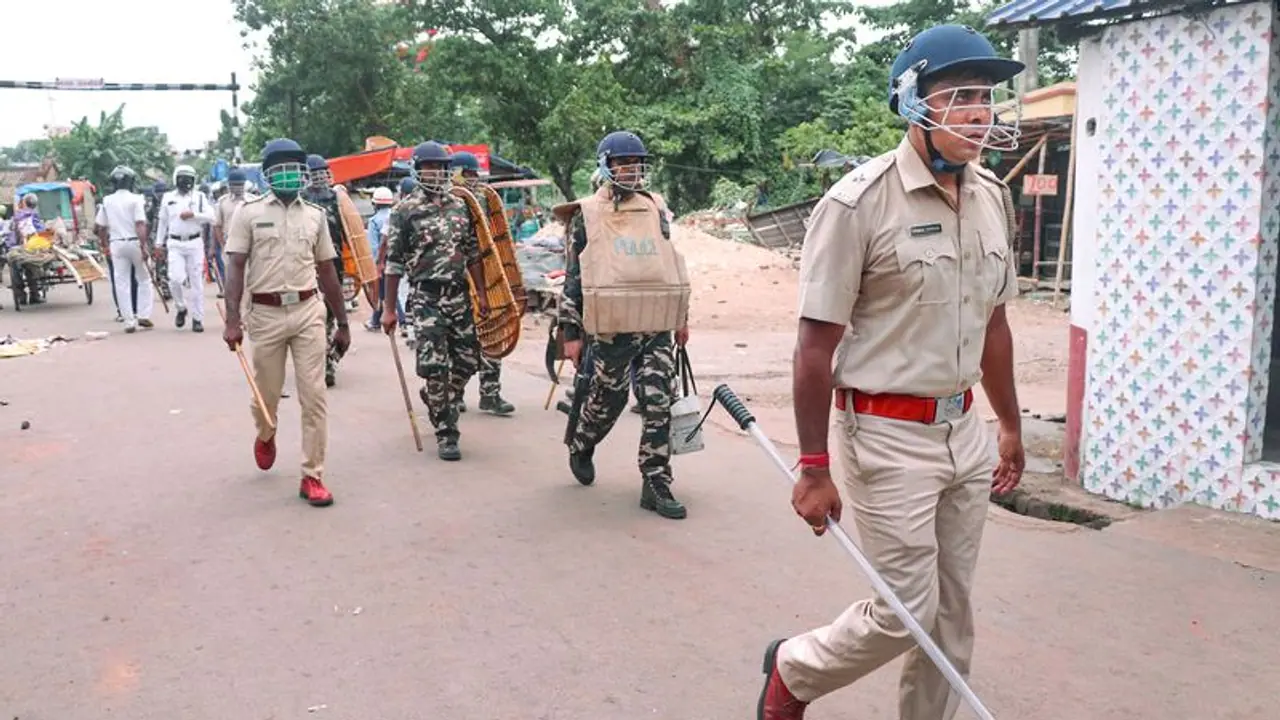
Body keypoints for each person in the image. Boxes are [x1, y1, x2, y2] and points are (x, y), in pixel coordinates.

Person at [755, 25, 1027, 720]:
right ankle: (794, 669)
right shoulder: (857, 203)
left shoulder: (992, 195)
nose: (978, 111)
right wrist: (813, 466)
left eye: (986, 96)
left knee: (951, 615)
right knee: (906, 608)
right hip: (885, 434)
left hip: (963, 429)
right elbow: (815, 346)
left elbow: (994, 324)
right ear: (911, 103)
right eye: (958, 95)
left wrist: (1009, 426)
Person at [555, 130, 692, 520]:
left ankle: (656, 481)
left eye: (638, 164)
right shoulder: (586, 214)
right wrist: (570, 333)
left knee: (658, 401)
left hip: (655, 324)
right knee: (607, 400)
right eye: (624, 164)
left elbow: (669, 264)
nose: (633, 171)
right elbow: (574, 277)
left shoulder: (656, 208)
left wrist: (681, 318)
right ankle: (582, 442)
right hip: (612, 326)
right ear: (606, 165)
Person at [222, 138, 351, 508]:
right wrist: (233, 319)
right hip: (264, 315)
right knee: (266, 395)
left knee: (315, 397)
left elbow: (327, 268)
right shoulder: (247, 213)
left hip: (309, 312)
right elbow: (235, 265)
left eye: (295, 166)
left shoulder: (315, 215)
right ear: (267, 173)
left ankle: (313, 476)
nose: (289, 173)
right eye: (280, 167)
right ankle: (266, 432)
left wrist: (342, 321)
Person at [381, 141, 489, 461]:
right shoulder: (404, 211)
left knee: (470, 360)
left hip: (459, 295)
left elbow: (472, 253)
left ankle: (437, 397)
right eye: (430, 167)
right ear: (417, 169)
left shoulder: (460, 205)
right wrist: (389, 309)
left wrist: (481, 293)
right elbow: (393, 263)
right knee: (435, 366)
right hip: (426, 297)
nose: (436, 173)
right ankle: (446, 432)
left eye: (441, 168)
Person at [451, 150, 515, 416]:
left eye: (476, 173)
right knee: (461, 342)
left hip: (486, 275)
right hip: (457, 280)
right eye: (469, 174)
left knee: (492, 333)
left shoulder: (485, 199)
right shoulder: (449, 201)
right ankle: (454, 394)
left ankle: (490, 393)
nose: (474, 178)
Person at [301, 154, 349, 388]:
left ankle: (327, 362)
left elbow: (351, 233)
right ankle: (316, 359)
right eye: (315, 172)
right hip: (307, 266)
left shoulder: (338, 200)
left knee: (329, 311)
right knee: (311, 312)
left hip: (333, 266)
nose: (320, 176)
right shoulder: (301, 201)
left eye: (323, 171)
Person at [94, 165, 155, 333]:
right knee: (144, 279)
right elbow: (140, 224)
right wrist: (143, 246)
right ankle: (143, 314)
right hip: (135, 241)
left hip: (117, 243)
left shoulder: (107, 200)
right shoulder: (137, 199)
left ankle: (129, 321)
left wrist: (105, 245)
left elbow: (101, 226)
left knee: (121, 282)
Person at [155, 165, 215, 332]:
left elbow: (212, 217)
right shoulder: (168, 197)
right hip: (174, 243)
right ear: (176, 179)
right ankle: (181, 307)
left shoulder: (200, 197)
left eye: (189, 179)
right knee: (174, 279)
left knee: (197, 282)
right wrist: (158, 244)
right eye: (182, 178)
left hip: (194, 243)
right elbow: (163, 222)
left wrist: (194, 215)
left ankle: (197, 318)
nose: (185, 182)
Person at [213, 168, 256, 290]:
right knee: (232, 277)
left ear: (244, 184)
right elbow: (217, 225)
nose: (237, 187)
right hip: (230, 245)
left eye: (240, 184)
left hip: (250, 245)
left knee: (250, 276)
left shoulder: (253, 201)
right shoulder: (222, 202)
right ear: (229, 185)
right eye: (234, 185)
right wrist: (222, 244)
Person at [364, 186, 398, 331]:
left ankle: (402, 320)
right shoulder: (395, 215)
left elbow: (374, 245)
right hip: (395, 259)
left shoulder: (374, 221)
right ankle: (375, 320)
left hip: (382, 260)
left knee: (382, 292)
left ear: (375, 203)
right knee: (387, 291)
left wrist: (376, 263)